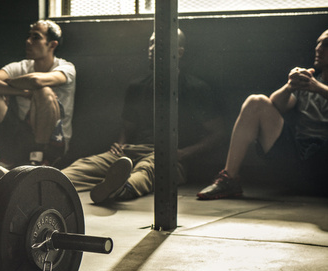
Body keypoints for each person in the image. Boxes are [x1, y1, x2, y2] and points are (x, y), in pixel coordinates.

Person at [58, 29, 225, 203]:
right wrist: (120, 144)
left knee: (148, 170)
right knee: (83, 166)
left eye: (160, 44)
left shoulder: (195, 88)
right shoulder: (137, 86)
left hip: (170, 156)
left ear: (179, 52)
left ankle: (120, 189)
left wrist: (183, 153)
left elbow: (218, 133)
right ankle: (49, 183)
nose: (152, 49)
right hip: (131, 150)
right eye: (151, 43)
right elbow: (127, 127)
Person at [197, 29, 328, 200]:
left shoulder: (315, 85)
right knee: (256, 102)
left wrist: (318, 88)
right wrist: (290, 86)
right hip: (299, 161)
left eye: (326, 44)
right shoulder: (309, 81)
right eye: (318, 43)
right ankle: (229, 180)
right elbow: (277, 105)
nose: (318, 48)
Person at [0, 20, 76, 181]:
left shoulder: (66, 68)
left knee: (43, 91)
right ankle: (0, 155)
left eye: (36, 37)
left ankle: (39, 160)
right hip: (21, 138)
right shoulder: (21, 66)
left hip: (52, 142)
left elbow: (36, 81)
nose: (28, 41)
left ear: (52, 44)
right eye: (29, 37)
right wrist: (22, 92)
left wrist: (9, 82)